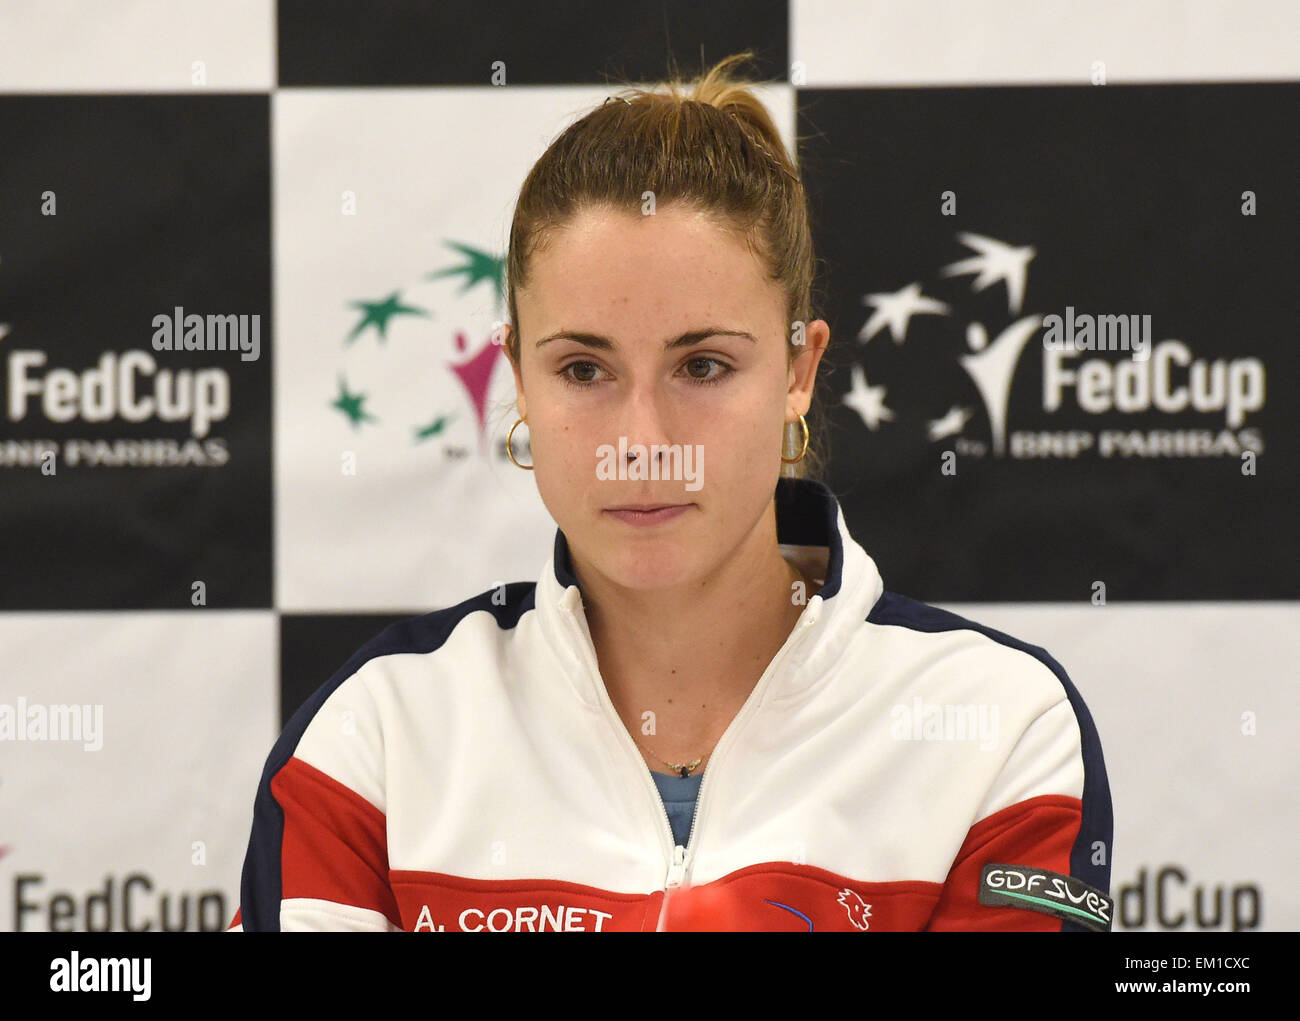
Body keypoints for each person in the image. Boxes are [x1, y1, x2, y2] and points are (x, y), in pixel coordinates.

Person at [227, 52, 1111, 932]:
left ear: (800, 370)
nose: (641, 443)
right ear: (519, 380)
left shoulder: (997, 727)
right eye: (583, 368)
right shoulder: (375, 741)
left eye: (703, 365)